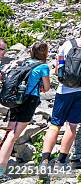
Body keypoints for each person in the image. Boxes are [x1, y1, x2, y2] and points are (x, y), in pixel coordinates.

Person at [41, 22, 81, 166]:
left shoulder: (66, 44)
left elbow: (58, 66)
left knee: (55, 124)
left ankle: (44, 159)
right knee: (72, 125)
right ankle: (61, 160)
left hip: (64, 89)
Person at [0, 42, 50, 178]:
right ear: (44, 52)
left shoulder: (25, 63)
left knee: (9, 133)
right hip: (29, 101)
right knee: (13, 136)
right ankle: (0, 171)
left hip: (16, 99)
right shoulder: (43, 66)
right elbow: (47, 88)